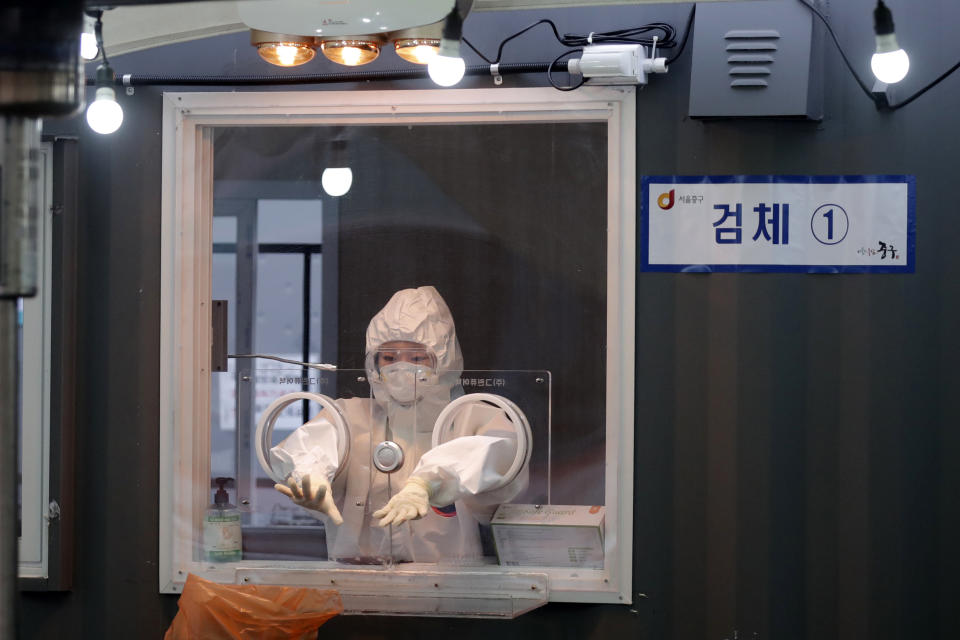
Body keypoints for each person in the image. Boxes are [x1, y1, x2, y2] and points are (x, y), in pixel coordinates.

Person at [270, 286, 527, 563]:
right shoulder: (350, 416)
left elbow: (497, 453)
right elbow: (309, 444)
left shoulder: (472, 418)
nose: (401, 368)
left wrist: (428, 483)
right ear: (374, 363)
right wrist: (310, 475)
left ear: (444, 359)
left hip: (448, 588)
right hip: (357, 585)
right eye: (389, 358)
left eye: (417, 358)